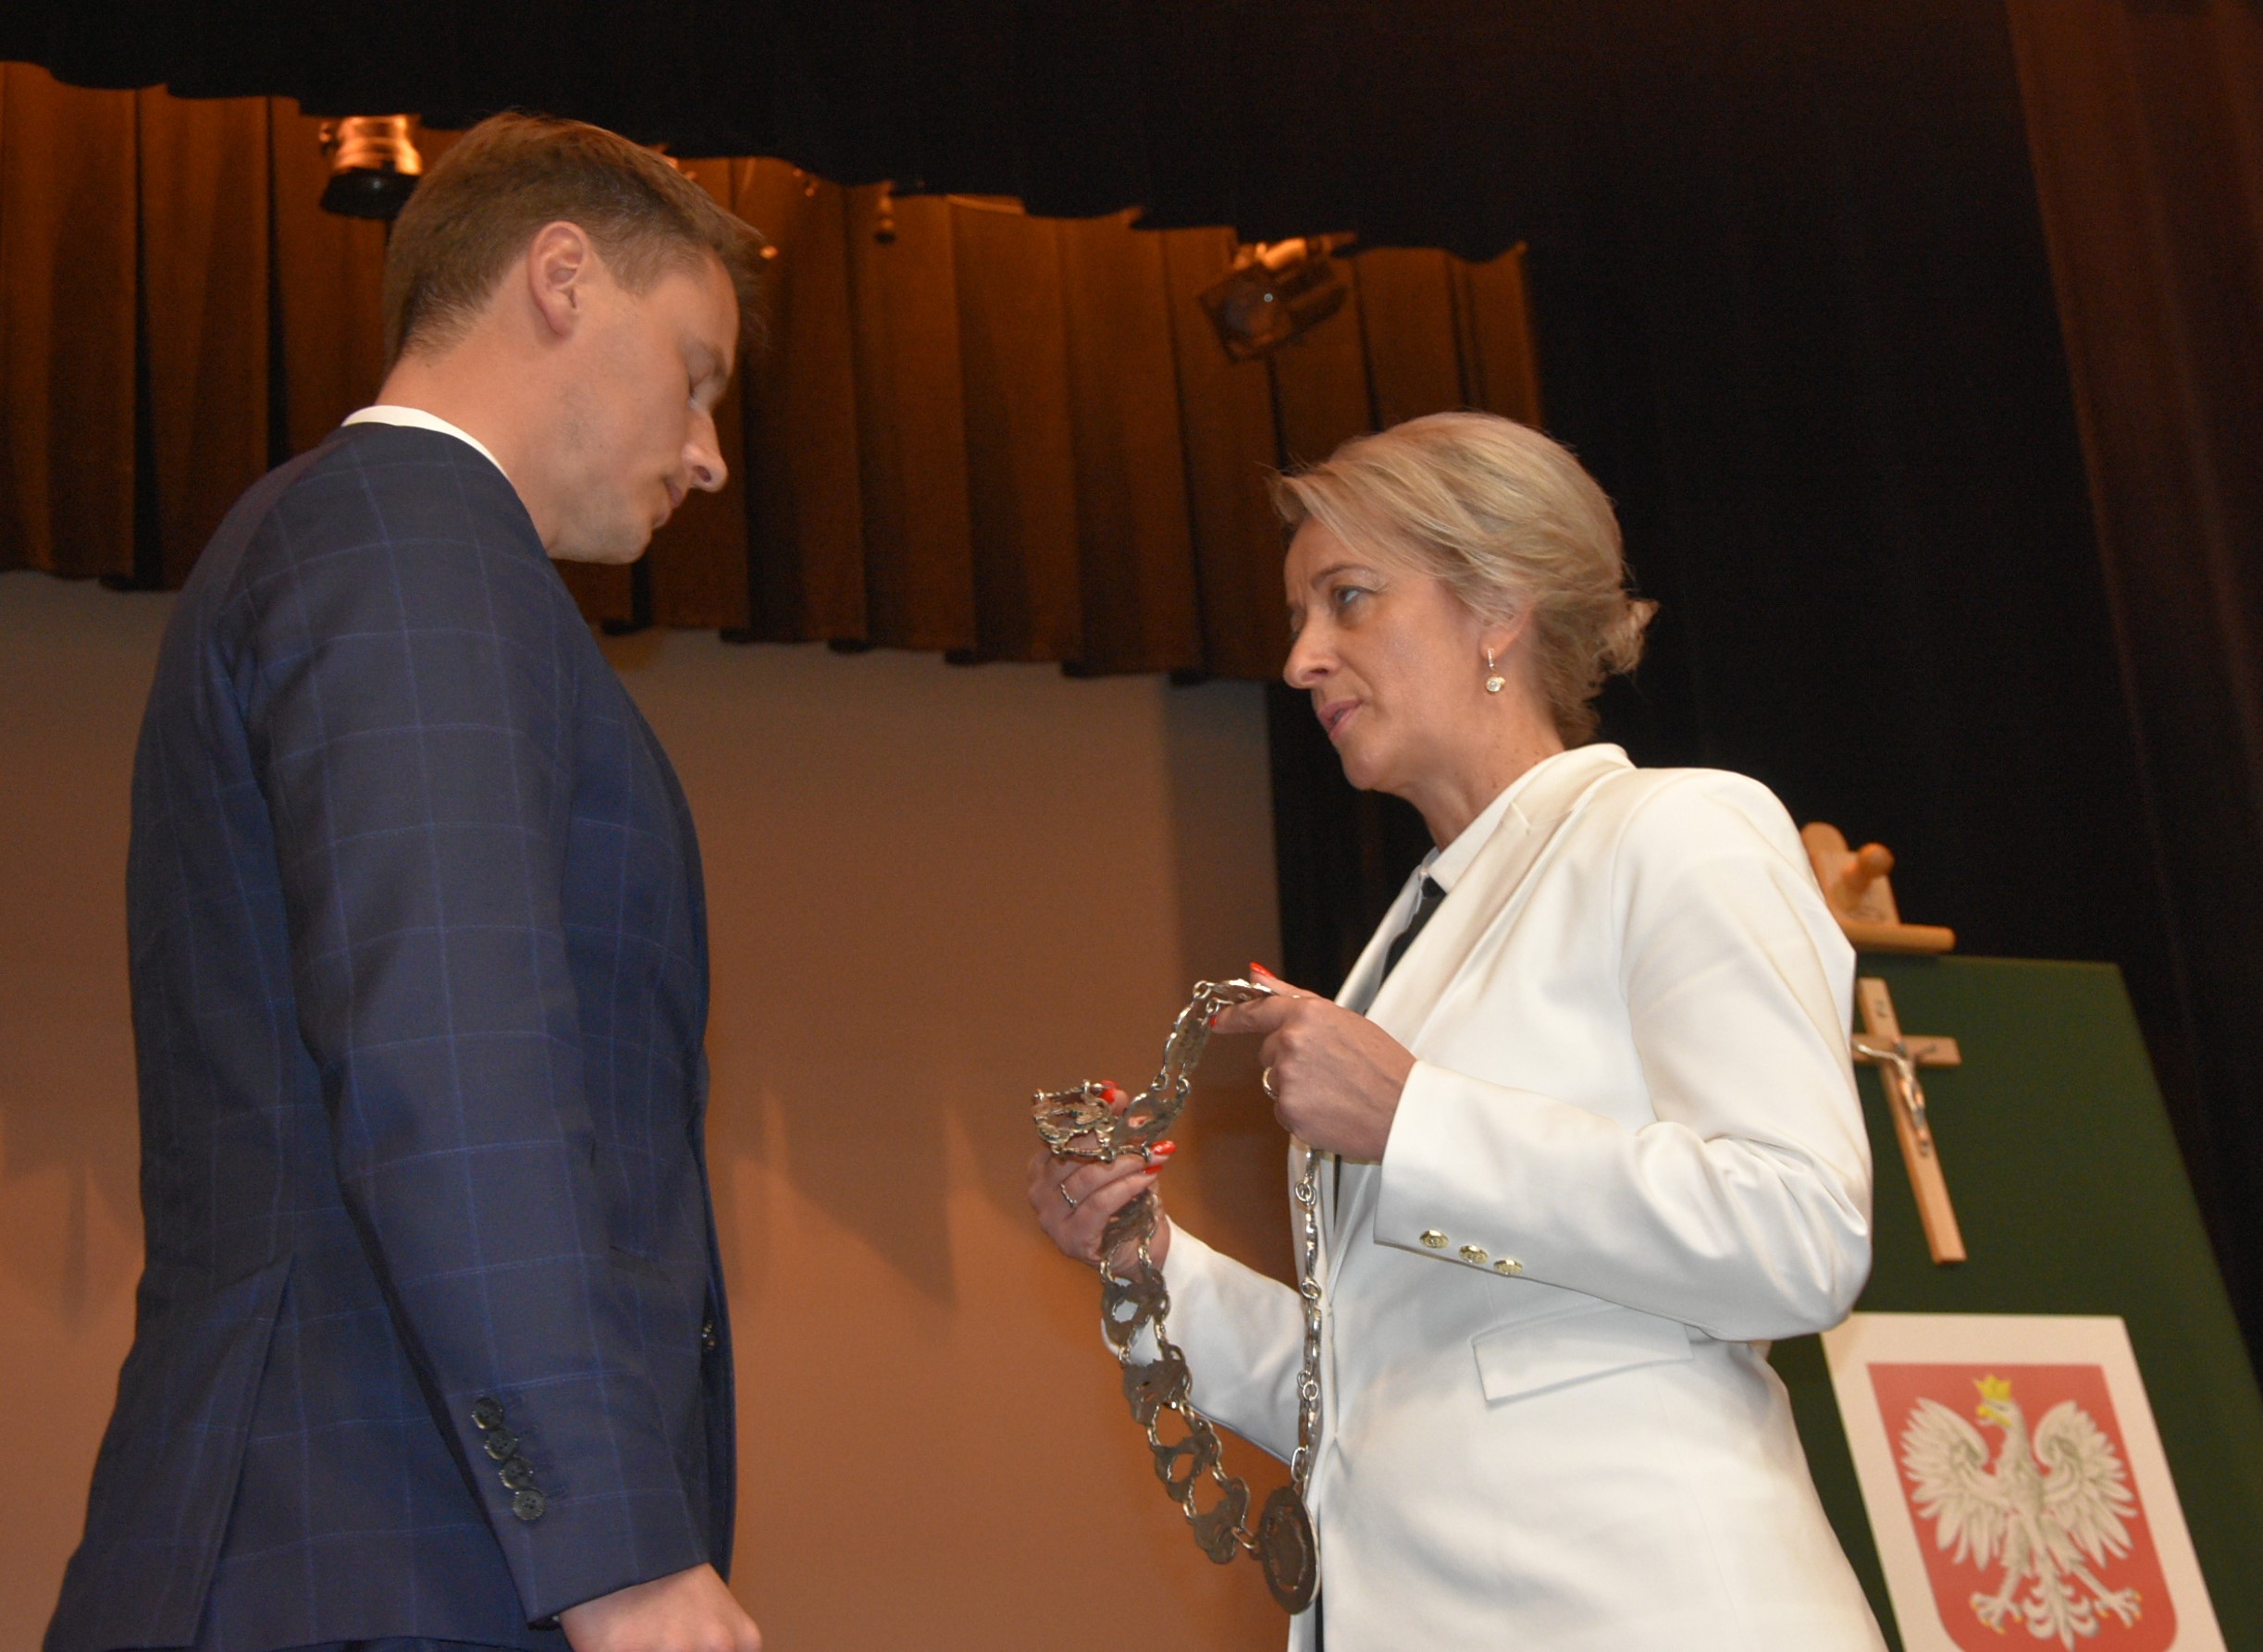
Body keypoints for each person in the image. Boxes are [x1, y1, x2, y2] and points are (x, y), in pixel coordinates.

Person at [47, 115, 765, 1652]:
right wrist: (616, 1549)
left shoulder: (371, 543)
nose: (710, 452)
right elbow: (449, 1051)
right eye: (696, 374)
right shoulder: (408, 534)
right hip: (387, 1554)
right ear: (561, 278)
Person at [1030, 412, 1886, 1650]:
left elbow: (1800, 1234)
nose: (1301, 660)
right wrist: (1145, 1257)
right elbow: (1377, 1395)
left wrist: (1414, 1117)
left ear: (1497, 607)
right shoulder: (1408, 945)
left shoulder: (1676, 830)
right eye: (1297, 617)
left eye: (1348, 598)